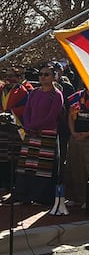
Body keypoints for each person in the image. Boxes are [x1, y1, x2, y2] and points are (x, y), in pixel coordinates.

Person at [15, 64, 64, 205]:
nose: (42, 77)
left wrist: (35, 126)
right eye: (41, 74)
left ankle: (39, 197)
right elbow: (27, 110)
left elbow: (52, 116)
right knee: (26, 164)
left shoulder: (56, 95)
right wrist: (28, 125)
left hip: (47, 133)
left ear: (53, 77)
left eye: (46, 74)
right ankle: (22, 195)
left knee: (42, 167)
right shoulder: (35, 92)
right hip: (31, 132)